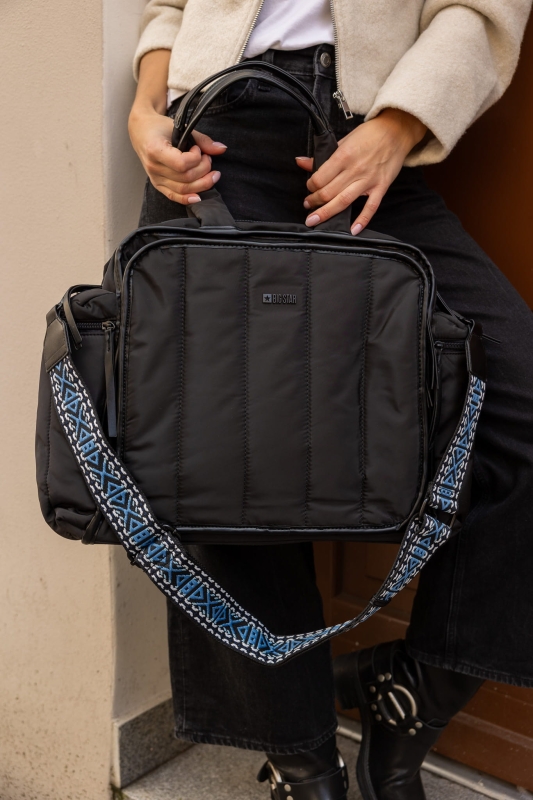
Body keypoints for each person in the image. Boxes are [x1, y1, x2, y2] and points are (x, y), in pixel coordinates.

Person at [128, 2, 533, 798]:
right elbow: (168, 9)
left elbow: (480, 10)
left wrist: (398, 126)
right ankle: (304, 771)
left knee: (517, 410)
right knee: (221, 474)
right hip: (212, 144)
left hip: (368, 145)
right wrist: (147, 113)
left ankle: (408, 696)